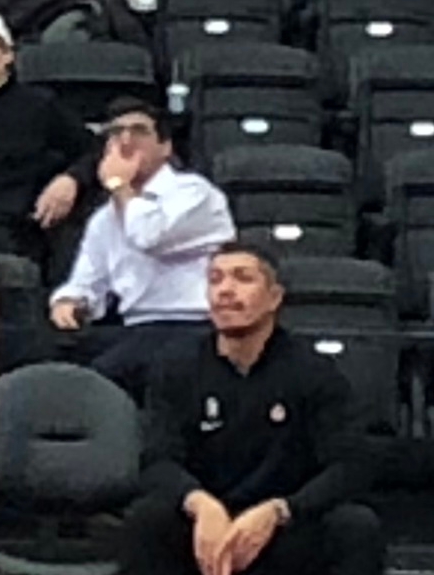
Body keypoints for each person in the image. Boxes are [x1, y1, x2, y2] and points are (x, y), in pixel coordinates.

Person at [117, 243, 383, 575]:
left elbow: (351, 465)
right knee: (148, 520)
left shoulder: (314, 372)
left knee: (355, 527)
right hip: (207, 525)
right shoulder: (176, 367)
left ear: (274, 297)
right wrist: (200, 504)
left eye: (243, 278)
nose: (226, 290)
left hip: (282, 526)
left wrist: (281, 510)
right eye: (215, 280)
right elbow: (157, 460)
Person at [50, 97, 236, 397]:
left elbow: (150, 236)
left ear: (165, 147)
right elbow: (87, 280)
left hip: (192, 324)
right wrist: (71, 301)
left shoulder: (195, 193)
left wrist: (119, 186)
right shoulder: (105, 217)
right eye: (115, 132)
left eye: (138, 131)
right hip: (135, 327)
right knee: (48, 363)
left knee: (102, 381)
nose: (125, 140)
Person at [0, 2, 94, 269]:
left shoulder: (39, 105)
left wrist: (71, 179)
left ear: (7, 54)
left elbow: (95, 149)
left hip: (12, 234)